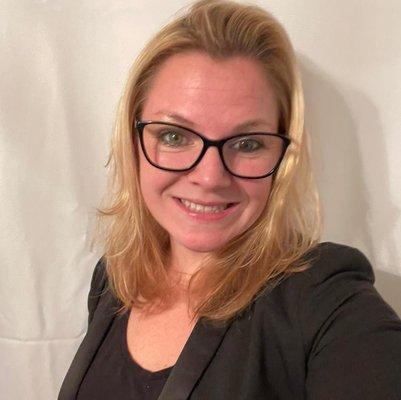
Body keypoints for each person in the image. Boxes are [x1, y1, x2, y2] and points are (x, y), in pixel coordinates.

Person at [58, 0, 401, 399]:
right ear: (132, 141)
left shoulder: (323, 298)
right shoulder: (115, 278)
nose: (209, 178)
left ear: (282, 157)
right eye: (174, 136)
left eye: (248, 143)